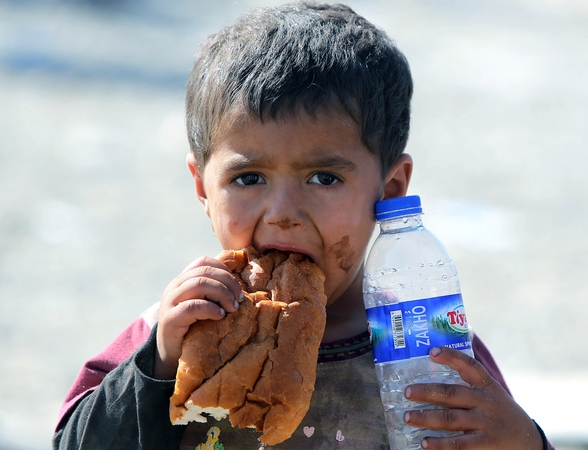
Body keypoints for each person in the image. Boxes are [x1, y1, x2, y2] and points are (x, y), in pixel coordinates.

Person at [53, 2, 553, 449]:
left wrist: (524, 442)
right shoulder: (177, 329)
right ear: (203, 188)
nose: (283, 211)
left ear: (390, 189)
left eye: (324, 177)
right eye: (248, 178)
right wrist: (158, 364)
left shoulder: (423, 338)